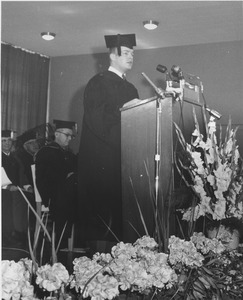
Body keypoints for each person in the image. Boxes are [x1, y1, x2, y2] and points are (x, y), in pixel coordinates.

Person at [78, 33, 139, 245]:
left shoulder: (131, 89)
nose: (131, 56)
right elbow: (99, 122)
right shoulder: (98, 83)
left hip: (123, 164)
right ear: (112, 56)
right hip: (101, 164)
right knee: (103, 228)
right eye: (127, 53)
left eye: (133, 53)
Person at [35, 120, 78, 248]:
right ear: (57, 134)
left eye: (71, 136)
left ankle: (76, 239)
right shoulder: (46, 151)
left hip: (65, 191)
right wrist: (66, 176)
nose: (70, 139)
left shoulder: (67, 153)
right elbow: (46, 177)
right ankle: (60, 242)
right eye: (67, 135)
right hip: (51, 192)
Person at [1, 129, 29, 247]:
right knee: (5, 215)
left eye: (9, 141)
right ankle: (5, 239)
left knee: (16, 215)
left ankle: (15, 235)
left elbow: (21, 173)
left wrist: (27, 186)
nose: (7, 143)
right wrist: (7, 186)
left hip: (16, 192)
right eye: (3, 141)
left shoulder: (14, 158)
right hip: (3, 193)